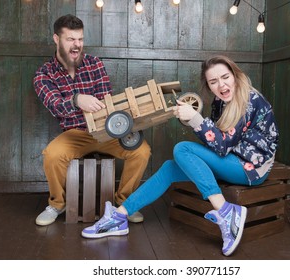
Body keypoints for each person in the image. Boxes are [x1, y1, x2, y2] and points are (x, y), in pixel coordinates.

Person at [81, 55, 279, 256]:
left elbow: (221, 146)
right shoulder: (220, 101)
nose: (221, 85)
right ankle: (118, 217)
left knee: (182, 148)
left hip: (250, 168)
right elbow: (214, 141)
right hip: (231, 159)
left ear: (235, 75)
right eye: (213, 81)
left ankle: (227, 213)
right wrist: (192, 119)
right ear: (209, 86)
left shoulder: (250, 100)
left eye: (225, 77)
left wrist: (195, 119)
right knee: (169, 168)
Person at [33, 14, 151, 226]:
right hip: (75, 133)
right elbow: (56, 107)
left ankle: (125, 204)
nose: (77, 45)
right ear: (56, 39)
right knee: (52, 155)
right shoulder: (43, 74)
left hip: (106, 131)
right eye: (70, 39)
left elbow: (106, 102)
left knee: (141, 151)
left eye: (80, 39)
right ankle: (57, 204)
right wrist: (77, 100)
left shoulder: (94, 64)